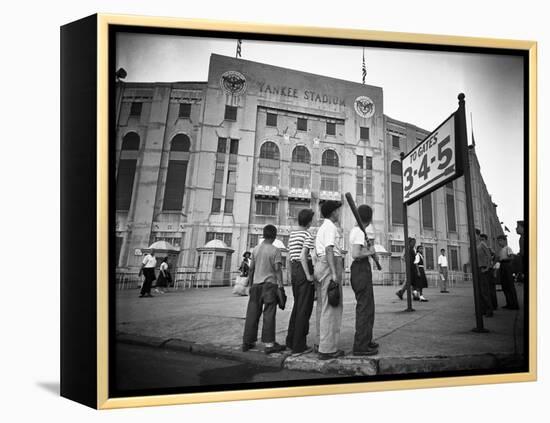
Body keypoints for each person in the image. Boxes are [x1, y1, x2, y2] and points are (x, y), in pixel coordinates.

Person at [242, 225, 286, 354]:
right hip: (269, 286)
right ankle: (269, 344)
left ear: (263, 234)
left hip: (256, 286)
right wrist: (281, 286)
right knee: (269, 314)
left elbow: (251, 269)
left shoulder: (255, 249)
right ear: (274, 235)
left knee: (252, 314)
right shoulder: (275, 250)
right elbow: (278, 270)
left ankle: (247, 342)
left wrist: (250, 285)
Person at [314, 200, 345, 360]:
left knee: (323, 306)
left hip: (322, 265)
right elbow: (329, 249)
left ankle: (321, 343)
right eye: (338, 211)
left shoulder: (323, 227)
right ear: (333, 212)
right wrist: (334, 273)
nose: (339, 214)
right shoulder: (330, 227)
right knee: (331, 307)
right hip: (329, 266)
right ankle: (327, 349)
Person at [349, 204, 379, 356]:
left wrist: (369, 250)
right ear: (369, 217)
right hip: (360, 269)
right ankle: (360, 345)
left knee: (369, 307)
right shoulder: (359, 231)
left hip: (361, 269)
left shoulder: (359, 231)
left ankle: (366, 340)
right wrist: (370, 252)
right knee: (364, 308)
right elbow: (355, 253)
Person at [285, 209, 316, 355]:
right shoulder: (307, 234)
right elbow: (304, 256)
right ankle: (299, 346)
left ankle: (290, 342)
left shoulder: (292, 234)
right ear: (309, 221)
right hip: (304, 270)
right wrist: (309, 275)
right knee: (304, 308)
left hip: (295, 271)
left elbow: (289, 257)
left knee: (297, 307)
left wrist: (292, 275)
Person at [496, 235, 519, 310]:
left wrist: (505, 259)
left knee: (510, 286)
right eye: (498, 241)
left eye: (500, 241)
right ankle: (509, 303)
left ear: (504, 240)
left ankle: (514, 304)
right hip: (502, 266)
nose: (499, 243)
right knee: (505, 286)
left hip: (507, 266)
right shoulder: (501, 250)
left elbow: (512, 257)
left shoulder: (507, 248)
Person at [476, 230, 494, 317]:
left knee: (485, 291)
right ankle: (483, 309)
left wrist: (487, 268)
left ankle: (489, 310)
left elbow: (489, 256)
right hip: (478, 269)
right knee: (480, 291)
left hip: (483, 268)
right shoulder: (476, 245)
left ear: (478, 235)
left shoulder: (482, 244)